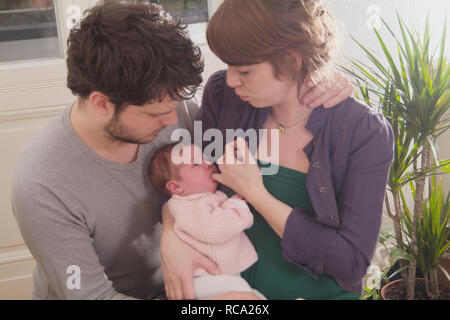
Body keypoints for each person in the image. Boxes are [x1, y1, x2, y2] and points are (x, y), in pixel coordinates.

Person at [11, 0, 352, 300]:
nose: (174, 120)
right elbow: (92, 296)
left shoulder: (176, 108)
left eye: (177, 104)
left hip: (197, 284)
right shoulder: (42, 185)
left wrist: (318, 78)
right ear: (101, 104)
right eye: (157, 113)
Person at [161, 0, 394, 300]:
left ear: (292, 60)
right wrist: (170, 239)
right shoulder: (225, 96)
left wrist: (257, 194)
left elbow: (350, 263)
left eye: (244, 70)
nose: (231, 79)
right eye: (229, 65)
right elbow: (184, 186)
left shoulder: (363, 132)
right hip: (230, 293)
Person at [149, 143, 265, 299]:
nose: (209, 164)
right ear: (176, 187)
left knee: (253, 294)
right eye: (196, 164)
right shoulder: (184, 206)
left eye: (205, 158)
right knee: (242, 290)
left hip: (214, 278)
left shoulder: (199, 200)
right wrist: (236, 207)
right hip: (197, 281)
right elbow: (214, 230)